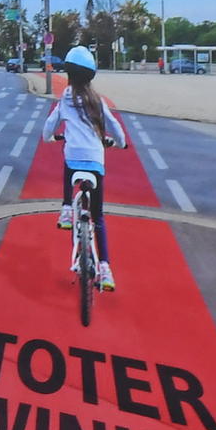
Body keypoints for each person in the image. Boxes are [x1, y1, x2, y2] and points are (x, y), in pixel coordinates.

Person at [41, 45, 129, 291]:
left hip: (73, 158)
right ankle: (105, 268)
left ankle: (67, 208)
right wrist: (121, 144)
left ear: (68, 74)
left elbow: (48, 128)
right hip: (96, 162)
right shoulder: (97, 101)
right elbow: (116, 129)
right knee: (98, 217)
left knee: (69, 159)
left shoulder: (65, 99)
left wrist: (50, 137)